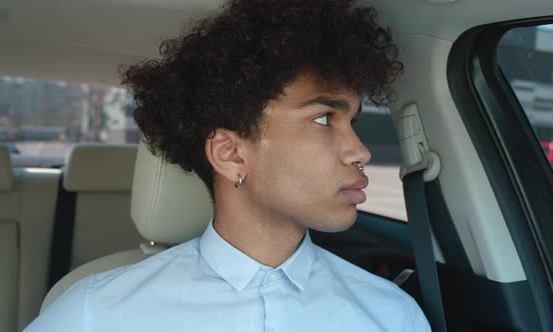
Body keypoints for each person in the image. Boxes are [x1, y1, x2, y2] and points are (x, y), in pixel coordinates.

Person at [25, 0, 430, 331]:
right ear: (230, 154)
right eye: (324, 118)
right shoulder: (93, 314)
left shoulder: (393, 315)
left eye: (353, 122)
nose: (360, 152)